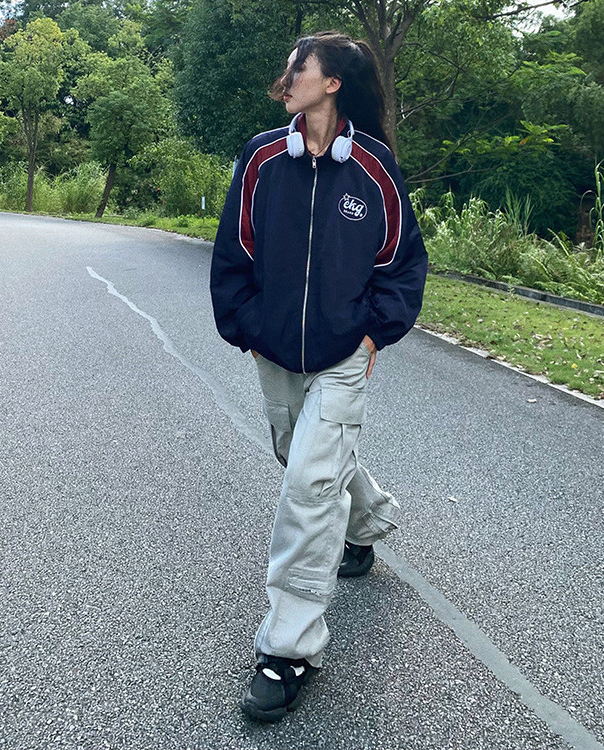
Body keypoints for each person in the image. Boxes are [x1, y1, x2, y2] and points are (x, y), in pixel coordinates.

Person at [210, 31, 427, 722]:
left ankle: (288, 648)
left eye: (297, 67)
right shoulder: (261, 158)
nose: (288, 77)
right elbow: (233, 251)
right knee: (301, 457)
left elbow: (402, 264)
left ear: (332, 82)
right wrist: (246, 326)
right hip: (273, 348)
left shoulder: (373, 167)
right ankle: (368, 520)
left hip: (342, 355)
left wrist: (372, 334)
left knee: (307, 484)